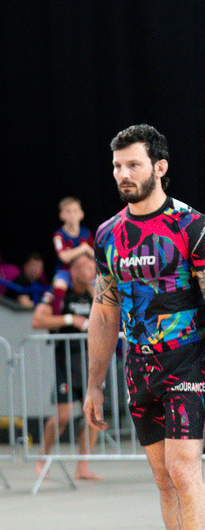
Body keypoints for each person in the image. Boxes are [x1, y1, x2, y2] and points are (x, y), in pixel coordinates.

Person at [84, 124, 205, 530]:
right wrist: (94, 384)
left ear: (160, 166)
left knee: (184, 470)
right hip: (139, 369)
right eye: (117, 165)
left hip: (189, 364)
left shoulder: (191, 226)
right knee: (164, 478)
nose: (123, 173)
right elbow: (104, 313)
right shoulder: (107, 234)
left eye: (133, 164)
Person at [31, 252, 101, 481]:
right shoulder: (59, 294)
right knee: (62, 416)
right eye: (85, 267)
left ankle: (83, 466)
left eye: (93, 267)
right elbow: (38, 320)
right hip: (66, 361)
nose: (92, 271)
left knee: (93, 414)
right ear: (73, 271)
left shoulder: (96, 293)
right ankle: (43, 458)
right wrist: (71, 319)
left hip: (91, 362)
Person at [50, 197, 94, 303]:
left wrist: (87, 249)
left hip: (84, 271)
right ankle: (57, 315)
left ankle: (97, 317)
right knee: (59, 285)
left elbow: (95, 255)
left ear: (81, 214)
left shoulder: (86, 233)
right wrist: (84, 248)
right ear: (61, 215)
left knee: (98, 288)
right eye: (68, 211)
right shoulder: (58, 235)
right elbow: (64, 257)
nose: (72, 214)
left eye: (75, 211)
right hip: (64, 271)